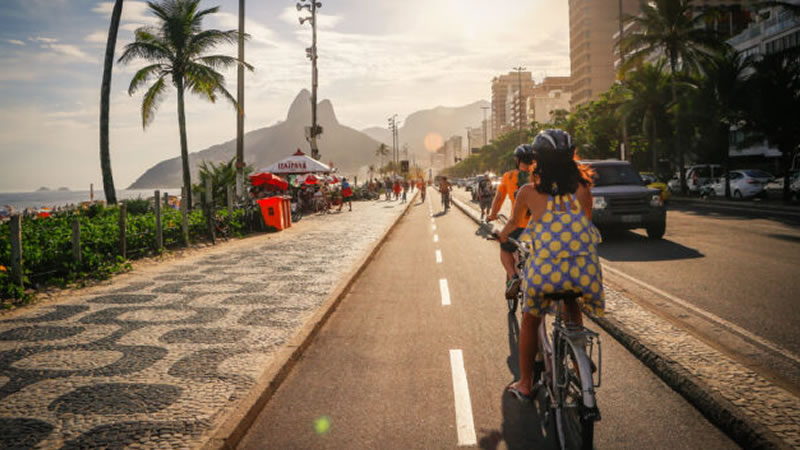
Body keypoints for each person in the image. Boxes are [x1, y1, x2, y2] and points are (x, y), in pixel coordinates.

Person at [498, 129, 603, 401]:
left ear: (538, 161)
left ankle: (524, 383)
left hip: (545, 274)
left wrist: (503, 234)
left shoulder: (528, 192)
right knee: (571, 303)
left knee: (530, 320)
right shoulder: (583, 190)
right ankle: (579, 364)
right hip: (585, 273)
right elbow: (584, 226)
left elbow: (516, 223)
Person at [487, 144, 536, 300]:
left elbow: (499, 198)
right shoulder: (539, 176)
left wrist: (492, 215)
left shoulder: (509, 177)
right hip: (538, 228)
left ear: (517, 160)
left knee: (504, 247)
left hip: (518, 227)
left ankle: (513, 275)